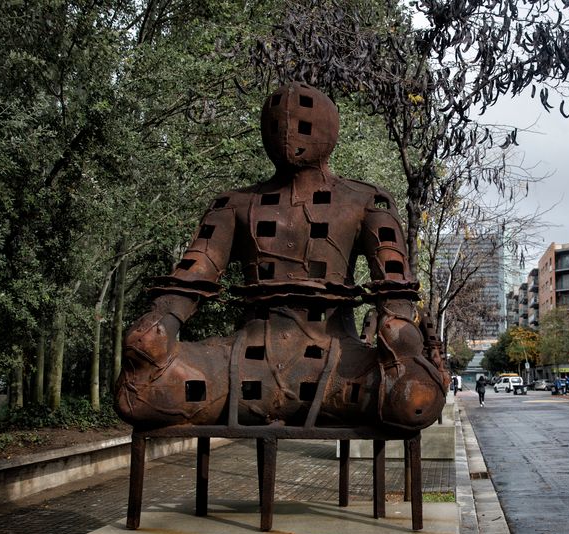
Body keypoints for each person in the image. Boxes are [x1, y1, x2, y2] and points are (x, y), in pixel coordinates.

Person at [115, 82, 447, 431]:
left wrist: (398, 335)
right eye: (278, 123)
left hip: (339, 362)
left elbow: (393, 281)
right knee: (139, 392)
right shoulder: (234, 204)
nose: (289, 130)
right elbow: (194, 272)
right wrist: (159, 325)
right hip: (239, 363)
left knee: (414, 399)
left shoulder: (365, 200)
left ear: (329, 128)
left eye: (303, 123)